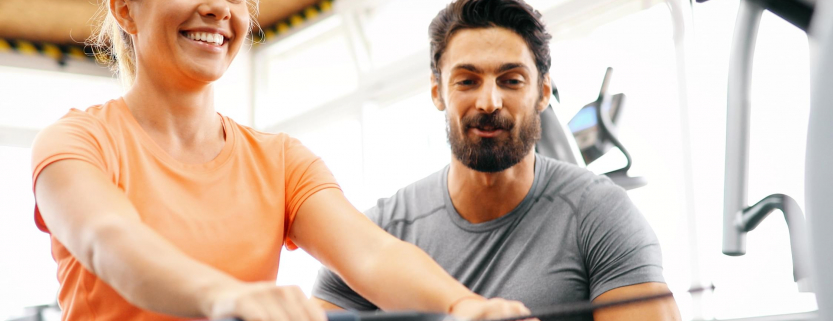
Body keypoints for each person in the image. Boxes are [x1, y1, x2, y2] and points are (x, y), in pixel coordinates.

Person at [28, 0, 536, 320]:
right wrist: (226, 298)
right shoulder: (76, 143)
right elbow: (111, 242)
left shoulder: (281, 160)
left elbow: (371, 254)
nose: (217, 9)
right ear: (123, 9)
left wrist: (463, 304)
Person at [311, 0, 681, 320]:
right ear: (438, 92)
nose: (489, 102)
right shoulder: (377, 233)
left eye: (511, 80)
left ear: (543, 92)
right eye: (467, 81)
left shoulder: (599, 213)